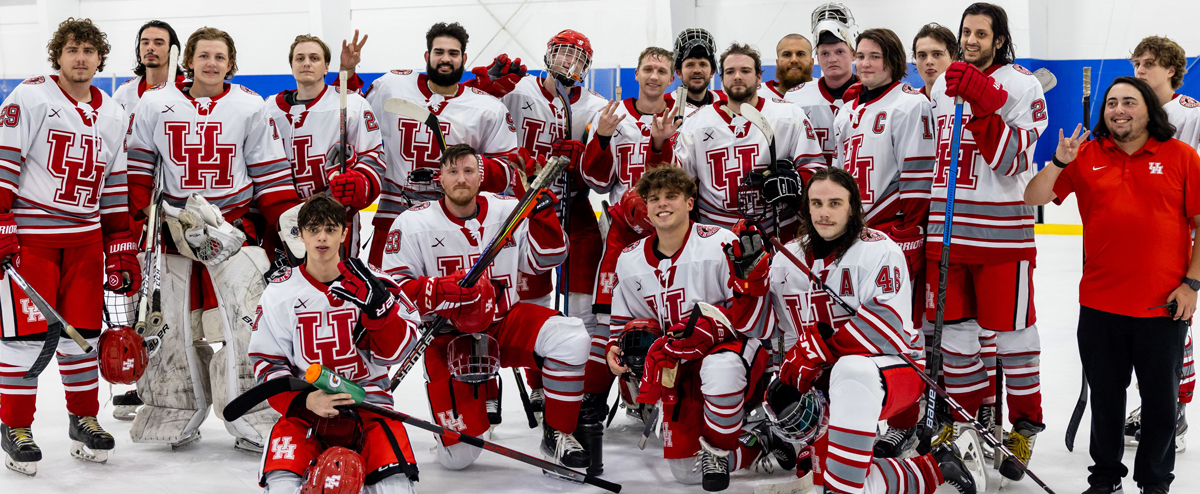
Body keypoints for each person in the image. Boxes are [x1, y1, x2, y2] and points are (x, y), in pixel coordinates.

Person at [737, 166, 974, 494]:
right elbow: (760, 328)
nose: (824, 212)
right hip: (822, 383)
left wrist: (817, 350)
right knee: (838, 479)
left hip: (892, 372)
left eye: (835, 203)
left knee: (851, 371)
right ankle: (934, 468)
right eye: (816, 203)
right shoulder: (786, 259)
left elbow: (885, 329)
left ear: (853, 207)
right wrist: (748, 283)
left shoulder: (879, 250)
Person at [125, 26, 300, 450]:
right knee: (172, 330)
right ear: (188, 60)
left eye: (220, 57)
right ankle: (174, 408)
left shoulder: (248, 106)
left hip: (234, 230)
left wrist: (292, 236)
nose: (211, 64)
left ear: (231, 63)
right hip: (172, 230)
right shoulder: (155, 103)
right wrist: (132, 233)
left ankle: (255, 412)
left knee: (245, 327)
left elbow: (270, 177)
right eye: (203, 55)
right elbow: (136, 174)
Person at [1024, 76, 1198, 494]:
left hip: (1163, 305)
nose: (1119, 110)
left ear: (1149, 110)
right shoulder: (1086, 156)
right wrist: (1060, 162)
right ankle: (1104, 480)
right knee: (1105, 399)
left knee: (1159, 404)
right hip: (1101, 304)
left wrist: (1192, 283)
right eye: (1112, 103)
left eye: (1129, 102)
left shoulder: (1181, 157)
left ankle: (1154, 483)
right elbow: (1034, 196)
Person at [380, 143, 593, 472]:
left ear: (481, 177)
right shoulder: (411, 223)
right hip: (448, 336)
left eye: (468, 171)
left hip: (504, 321)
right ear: (440, 178)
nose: (461, 179)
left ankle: (558, 432)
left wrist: (541, 213)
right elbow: (394, 291)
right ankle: (455, 420)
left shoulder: (508, 208)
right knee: (459, 459)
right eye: (453, 172)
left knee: (571, 336)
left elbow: (549, 258)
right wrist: (440, 290)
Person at [0, 17, 136, 476]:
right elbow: (3, 165)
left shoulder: (114, 114)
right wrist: (2, 225)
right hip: (33, 242)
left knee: (84, 338)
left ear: (100, 58)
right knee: (24, 339)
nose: (80, 58)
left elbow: (115, 184)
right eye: (72, 49)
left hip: (85, 242)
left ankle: (84, 418)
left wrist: (120, 242)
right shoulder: (30, 96)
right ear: (58, 55)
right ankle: (15, 427)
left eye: (88, 50)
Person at [925, 3, 1049, 482]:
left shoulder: (1023, 85)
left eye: (981, 33)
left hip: (1002, 238)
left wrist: (983, 100)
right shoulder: (940, 89)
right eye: (966, 32)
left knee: (1015, 338)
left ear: (999, 40)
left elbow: (1012, 160)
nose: (971, 40)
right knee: (955, 340)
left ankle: (1024, 424)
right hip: (947, 235)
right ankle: (964, 422)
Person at [606, 165, 777, 491]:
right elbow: (624, 321)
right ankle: (758, 440)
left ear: (689, 201)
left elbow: (752, 322)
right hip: (676, 366)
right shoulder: (629, 259)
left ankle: (719, 443)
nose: (662, 204)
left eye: (671, 196)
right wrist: (615, 348)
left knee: (719, 367)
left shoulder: (720, 242)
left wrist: (707, 328)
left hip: (730, 353)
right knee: (686, 472)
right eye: (654, 198)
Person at [250, 193, 421, 494]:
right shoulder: (279, 293)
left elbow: (403, 352)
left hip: (370, 409)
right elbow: (268, 364)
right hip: (306, 415)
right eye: (313, 229)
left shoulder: (376, 285)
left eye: (330, 229)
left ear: (344, 233)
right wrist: (304, 401)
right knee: (281, 488)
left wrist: (381, 313)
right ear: (300, 234)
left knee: (395, 489)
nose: (322, 238)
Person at [829, 27, 935, 458]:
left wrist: (909, 231)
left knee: (897, 329)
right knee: (857, 327)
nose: (866, 64)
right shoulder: (846, 109)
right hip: (850, 234)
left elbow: (917, 177)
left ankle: (904, 420)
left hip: (891, 233)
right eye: (861, 56)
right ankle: (862, 410)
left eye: (875, 56)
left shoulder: (910, 105)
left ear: (892, 59)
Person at [338, 23, 523, 268]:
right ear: (427, 56)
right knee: (386, 297)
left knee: (451, 297)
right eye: (439, 52)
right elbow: (351, 116)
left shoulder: (488, 108)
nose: (445, 59)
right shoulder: (391, 86)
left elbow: (508, 170)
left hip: (454, 220)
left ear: (464, 58)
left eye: (453, 54)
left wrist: (467, 169)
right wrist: (348, 73)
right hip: (393, 216)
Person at [499, 29, 608, 430]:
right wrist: (490, 81)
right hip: (522, 210)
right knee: (535, 303)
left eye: (578, 58)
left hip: (573, 208)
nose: (569, 64)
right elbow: (484, 117)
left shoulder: (595, 107)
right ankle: (539, 382)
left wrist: (582, 155)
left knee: (582, 310)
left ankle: (575, 386)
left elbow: (600, 175)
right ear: (548, 55)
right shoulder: (519, 89)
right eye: (563, 54)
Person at [577, 46, 677, 465]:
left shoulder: (683, 114)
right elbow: (595, 180)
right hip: (621, 234)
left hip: (671, 230)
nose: (653, 76)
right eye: (648, 68)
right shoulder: (612, 116)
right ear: (636, 73)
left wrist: (660, 143)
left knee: (670, 315)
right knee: (606, 322)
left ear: (670, 77)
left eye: (661, 70)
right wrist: (600, 136)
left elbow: (679, 176)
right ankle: (593, 402)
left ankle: (668, 400)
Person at [648, 43, 824, 234]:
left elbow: (815, 169)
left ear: (758, 78)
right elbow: (673, 180)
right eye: (730, 72)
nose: (737, 76)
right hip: (715, 233)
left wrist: (796, 181)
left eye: (745, 71)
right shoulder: (697, 122)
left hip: (778, 229)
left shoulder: (789, 115)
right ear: (722, 79)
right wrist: (660, 144)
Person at [108, 18, 189, 423]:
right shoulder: (122, 94)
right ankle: (131, 378)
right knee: (131, 296)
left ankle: (164, 381)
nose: (151, 49)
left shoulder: (183, 94)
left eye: (160, 42)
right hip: (131, 208)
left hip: (169, 213)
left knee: (166, 301)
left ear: (174, 50)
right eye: (145, 42)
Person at [1127, 35, 1198, 451]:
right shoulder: (1133, 112)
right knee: (1146, 325)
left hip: (1179, 235)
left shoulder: (1187, 113)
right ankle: (1160, 403)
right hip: (1140, 239)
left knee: (1175, 321)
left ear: (1171, 69)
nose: (1139, 71)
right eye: (1136, 63)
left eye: (1148, 63)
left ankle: (1176, 411)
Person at [267, 34, 383, 259]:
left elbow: (373, 155)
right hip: (284, 219)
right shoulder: (269, 109)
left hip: (335, 218)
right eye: (299, 58)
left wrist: (359, 183)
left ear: (326, 66)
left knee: (336, 288)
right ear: (291, 66)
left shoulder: (352, 103)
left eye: (314, 58)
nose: (306, 63)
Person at [783, 2, 862, 166]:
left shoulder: (870, 95)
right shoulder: (795, 98)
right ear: (817, 58)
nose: (832, 59)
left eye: (840, 52)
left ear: (853, 54)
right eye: (825, 53)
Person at [112, 20, 186, 113]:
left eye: (158, 43)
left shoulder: (190, 93)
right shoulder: (124, 94)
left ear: (173, 51)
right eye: (145, 43)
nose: (150, 47)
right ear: (139, 50)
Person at [673, 28, 725, 112]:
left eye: (703, 64)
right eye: (690, 65)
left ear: (712, 72)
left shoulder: (727, 104)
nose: (697, 70)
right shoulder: (664, 106)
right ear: (679, 72)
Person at [911, 23, 959, 100]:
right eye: (922, 55)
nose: (929, 61)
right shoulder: (911, 105)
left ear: (953, 57)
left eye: (937, 54)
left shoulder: (967, 102)